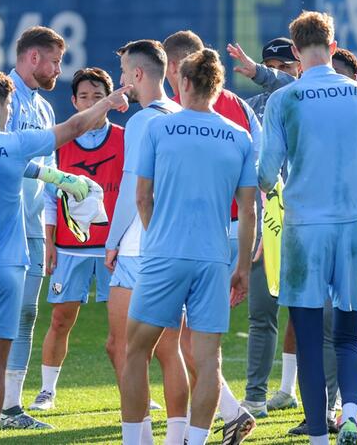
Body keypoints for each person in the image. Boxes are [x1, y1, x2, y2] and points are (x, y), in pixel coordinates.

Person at [0, 68, 127, 445]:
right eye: (10, 104)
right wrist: (109, 103)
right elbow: (74, 129)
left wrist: (56, 177)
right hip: (6, 266)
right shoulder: (13, 143)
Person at [257, 10, 357, 445]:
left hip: (306, 230)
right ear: (335, 47)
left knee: (307, 340)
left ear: (297, 54)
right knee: (348, 336)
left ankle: (319, 435)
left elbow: (266, 175)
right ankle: (352, 412)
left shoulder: (285, 100)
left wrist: (272, 189)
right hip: (356, 227)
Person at [119, 47, 257, 445]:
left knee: (136, 352)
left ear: (183, 82)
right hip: (214, 259)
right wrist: (243, 267)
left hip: (164, 253)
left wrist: (158, 233)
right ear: (217, 87)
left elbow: (142, 197)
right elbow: (248, 212)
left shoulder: (158, 128)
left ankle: (135, 441)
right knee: (207, 360)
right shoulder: (239, 136)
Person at [226, 40, 357, 428]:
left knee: (315, 318)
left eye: (285, 64)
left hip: (310, 221)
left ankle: (315, 403)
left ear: (300, 65)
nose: (279, 71)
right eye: (271, 65)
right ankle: (256, 396)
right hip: (269, 219)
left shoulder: (311, 103)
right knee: (261, 313)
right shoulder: (251, 110)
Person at [163, 29, 260, 443]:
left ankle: (210, 419)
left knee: (186, 340)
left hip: (204, 234)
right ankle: (225, 412)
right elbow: (263, 167)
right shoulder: (239, 109)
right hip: (234, 231)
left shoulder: (183, 114)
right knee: (193, 338)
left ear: (177, 68)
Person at [105, 40, 188, 443]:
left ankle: (137, 439)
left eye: (123, 73)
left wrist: (112, 240)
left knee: (125, 350)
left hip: (139, 246)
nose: (121, 81)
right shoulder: (185, 114)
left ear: (138, 74)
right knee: (170, 351)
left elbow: (132, 191)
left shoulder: (140, 122)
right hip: (177, 247)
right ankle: (178, 436)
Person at [30, 67, 122, 412]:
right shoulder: (60, 141)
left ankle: (133, 390)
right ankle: (47, 391)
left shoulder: (127, 139)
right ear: (73, 100)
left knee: (125, 327)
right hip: (70, 248)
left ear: (110, 101)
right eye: (84, 96)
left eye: (98, 97)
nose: (91, 102)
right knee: (60, 320)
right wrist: (50, 242)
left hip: (115, 249)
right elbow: (51, 198)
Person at [1, 26, 67, 429]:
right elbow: (1, 159)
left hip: (31, 228)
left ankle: (11, 406)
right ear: (34, 58)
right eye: (56, 61)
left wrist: (52, 228)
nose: (59, 69)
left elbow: (51, 175)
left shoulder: (45, 108)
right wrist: (58, 178)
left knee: (26, 313)